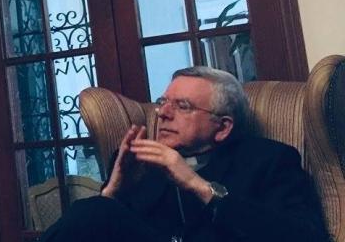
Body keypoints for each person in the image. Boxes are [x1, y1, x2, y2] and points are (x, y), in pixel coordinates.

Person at [40, 66, 327, 242]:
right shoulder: (138, 164)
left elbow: (306, 237)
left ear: (222, 127)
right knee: (95, 210)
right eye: (163, 102)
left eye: (183, 106)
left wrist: (198, 185)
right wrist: (113, 190)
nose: (162, 113)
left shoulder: (270, 160)